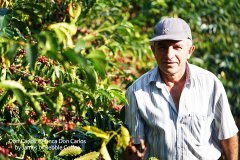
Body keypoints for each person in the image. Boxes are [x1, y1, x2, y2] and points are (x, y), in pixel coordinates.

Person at [124, 17, 239, 160]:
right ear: (153, 50)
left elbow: (227, 134)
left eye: (177, 47)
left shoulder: (210, 85)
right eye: (162, 47)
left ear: (190, 51)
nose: (169, 55)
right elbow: (135, 143)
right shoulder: (136, 92)